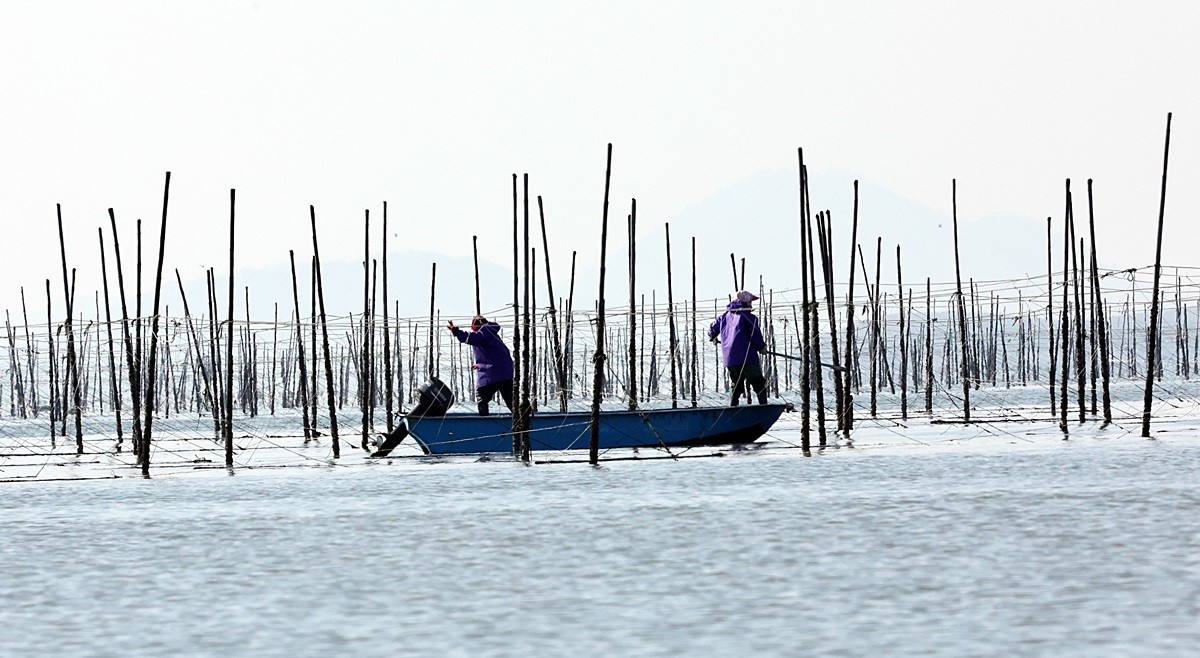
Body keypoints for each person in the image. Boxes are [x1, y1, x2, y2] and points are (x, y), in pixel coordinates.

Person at [708, 290, 768, 406]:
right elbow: (755, 335)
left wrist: (713, 338)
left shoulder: (724, 317)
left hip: (730, 359)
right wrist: (761, 347)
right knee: (758, 382)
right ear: (745, 302)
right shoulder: (749, 318)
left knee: (736, 383)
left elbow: (711, 330)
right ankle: (764, 407)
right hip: (748, 357)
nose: (751, 304)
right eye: (750, 302)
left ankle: (733, 406)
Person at [448, 315, 514, 415]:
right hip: (506, 372)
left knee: (482, 395)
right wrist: (479, 365)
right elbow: (491, 354)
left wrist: (456, 331)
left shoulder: (484, 333)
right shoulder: (491, 333)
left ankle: (485, 423)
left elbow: (470, 338)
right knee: (511, 401)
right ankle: (526, 419)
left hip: (493, 373)